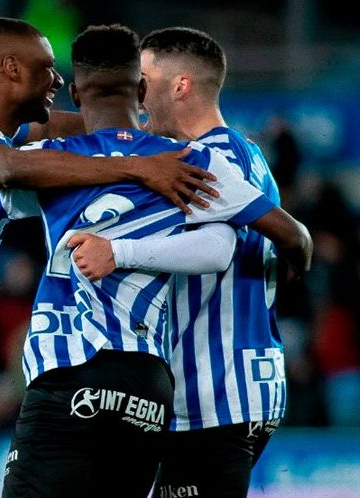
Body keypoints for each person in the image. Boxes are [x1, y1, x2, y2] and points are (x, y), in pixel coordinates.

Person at [0, 24, 308, 497]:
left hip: (73, 375)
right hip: (149, 387)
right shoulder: (187, 162)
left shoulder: (51, 164)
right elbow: (285, 235)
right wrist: (288, 266)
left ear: (75, 92)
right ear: (138, 88)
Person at [70, 27, 312, 497]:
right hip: (236, 386)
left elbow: (223, 248)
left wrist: (117, 252)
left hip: (214, 392)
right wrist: (297, 247)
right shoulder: (247, 154)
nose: (137, 94)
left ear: (180, 85)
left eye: (144, 78)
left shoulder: (207, 157)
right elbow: (290, 237)